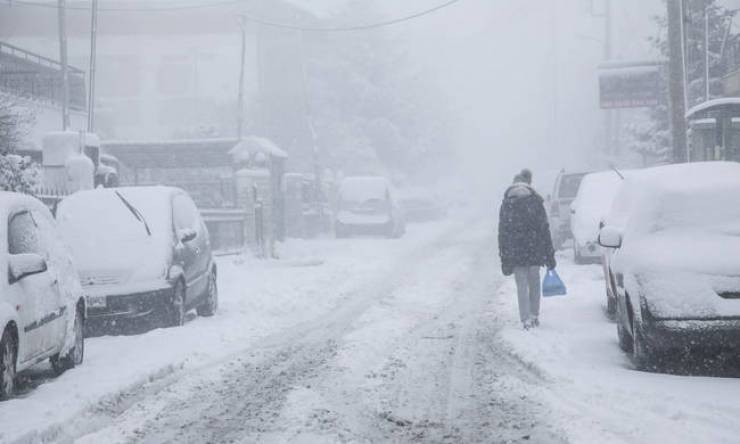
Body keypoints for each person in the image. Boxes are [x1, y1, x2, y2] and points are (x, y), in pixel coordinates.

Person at [498, 169, 557, 329]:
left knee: (521, 285)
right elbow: (544, 228)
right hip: (534, 248)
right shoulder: (535, 201)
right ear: (528, 183)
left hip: (515, 250)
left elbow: (502, 232)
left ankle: (525, 319)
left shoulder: (507, 203)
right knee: (534, 283)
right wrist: (549, 254)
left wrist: (504, 255)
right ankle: (534, 315)